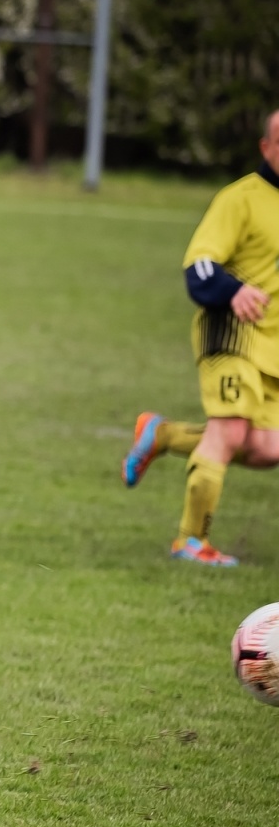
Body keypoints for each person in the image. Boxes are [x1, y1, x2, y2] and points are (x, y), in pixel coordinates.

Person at [121, 109, 279, 567]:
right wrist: (234, 291)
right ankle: (190, 541)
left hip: (272, 348)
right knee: (230, 433)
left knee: (267, 448)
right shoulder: (240, 200)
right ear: (266, 148)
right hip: (230, 333)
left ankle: (164, 435)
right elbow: (200, 266)